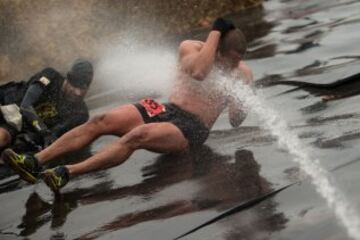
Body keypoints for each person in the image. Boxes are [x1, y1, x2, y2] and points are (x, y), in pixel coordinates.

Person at [2, 18, 253, 193]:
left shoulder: (242, 74)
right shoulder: (190, 48)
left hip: (192, 127)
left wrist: (240, 101)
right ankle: (34, 162)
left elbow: (235, 121)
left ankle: (65, 173)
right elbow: (199, 72)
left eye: (238, 61)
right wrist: (215, 31)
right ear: (216, 48)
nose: (233, 67)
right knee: (101, 120)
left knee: (138, 135)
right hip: (166, 108)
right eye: (229, 60)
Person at [0, 59, 93, 155]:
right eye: (75, 86)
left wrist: (46, 137)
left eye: (83, 88)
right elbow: (26, 106)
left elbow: (56, 133)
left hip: (20, 128)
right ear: (68, 79)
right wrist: (45, 132)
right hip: (8, 105)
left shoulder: (81, 112)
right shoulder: (51, 76)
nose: (78, 92)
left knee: (9, 141)